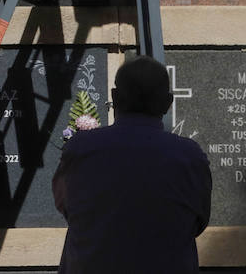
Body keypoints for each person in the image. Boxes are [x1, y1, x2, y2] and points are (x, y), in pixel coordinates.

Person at [53, 55, 211, 274]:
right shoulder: (190, 156)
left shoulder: (80, 149)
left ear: (115, 97)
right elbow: (199, 220)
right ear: (168, 103)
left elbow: (66, 207)